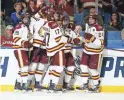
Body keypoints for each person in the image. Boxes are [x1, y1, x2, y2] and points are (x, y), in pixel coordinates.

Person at [78, 15, 104, 93]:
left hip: (95, 52)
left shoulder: (99, 28)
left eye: (92, 19)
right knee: (83, 66)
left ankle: (96, 86)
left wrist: (92, 38)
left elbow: (100, 43)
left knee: (92, 69)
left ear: (96, 20)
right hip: (86, 50)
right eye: (89, 19)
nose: (90, 20)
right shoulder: (88, 27)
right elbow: (87, 39)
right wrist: (81, 41)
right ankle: (85, 84)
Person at [28, 6, 49, 91]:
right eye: (45, 11)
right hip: (36, 44)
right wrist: (31, 41)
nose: (46, 13)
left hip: (45, 46)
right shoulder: (35, 19)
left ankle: (37, 83)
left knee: (41, 65)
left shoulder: (50, 22)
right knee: (33, 65)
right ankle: (28, 82)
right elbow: (30, 29)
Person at [13, 14, 33, 92]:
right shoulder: (19, 26)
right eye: (25, 19)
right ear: (22, 19)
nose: (26, 20)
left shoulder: (28, 27)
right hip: (19, 48)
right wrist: (24, 43)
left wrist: (30, 45)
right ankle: (24, 84)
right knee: (25, 67)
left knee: (22, 68)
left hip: (24, 49)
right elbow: (15, 38)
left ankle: (18, 84)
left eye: (27, 19)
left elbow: (29, 39)